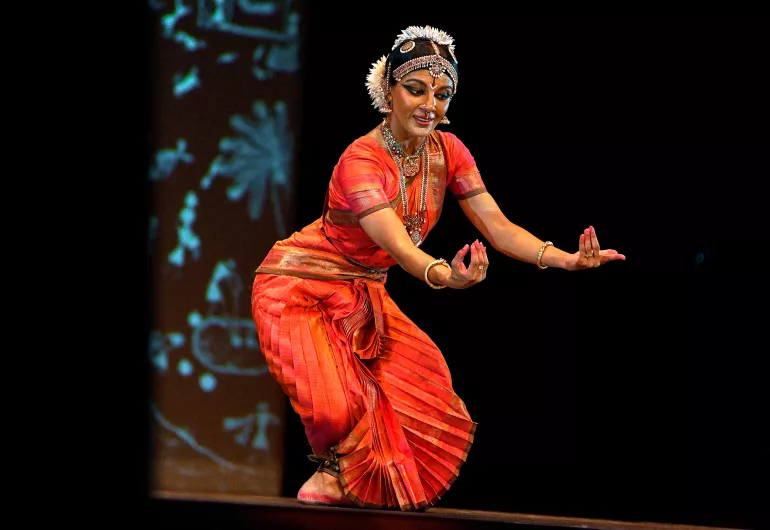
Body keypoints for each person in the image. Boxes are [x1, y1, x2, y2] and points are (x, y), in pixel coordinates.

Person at [251, 25, 625, 512]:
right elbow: (402, 248)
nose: (432, 104)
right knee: (337, 404)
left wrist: (565, 259)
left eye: (443, 93)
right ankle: (334, 473)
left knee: (424, 389)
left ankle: (343, 485)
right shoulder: (359, 162)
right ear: (389, 91)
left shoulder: (448, 152)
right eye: (417, 89)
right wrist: (445, 275)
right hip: (297, 287)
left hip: (363, 293)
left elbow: (498, 225)